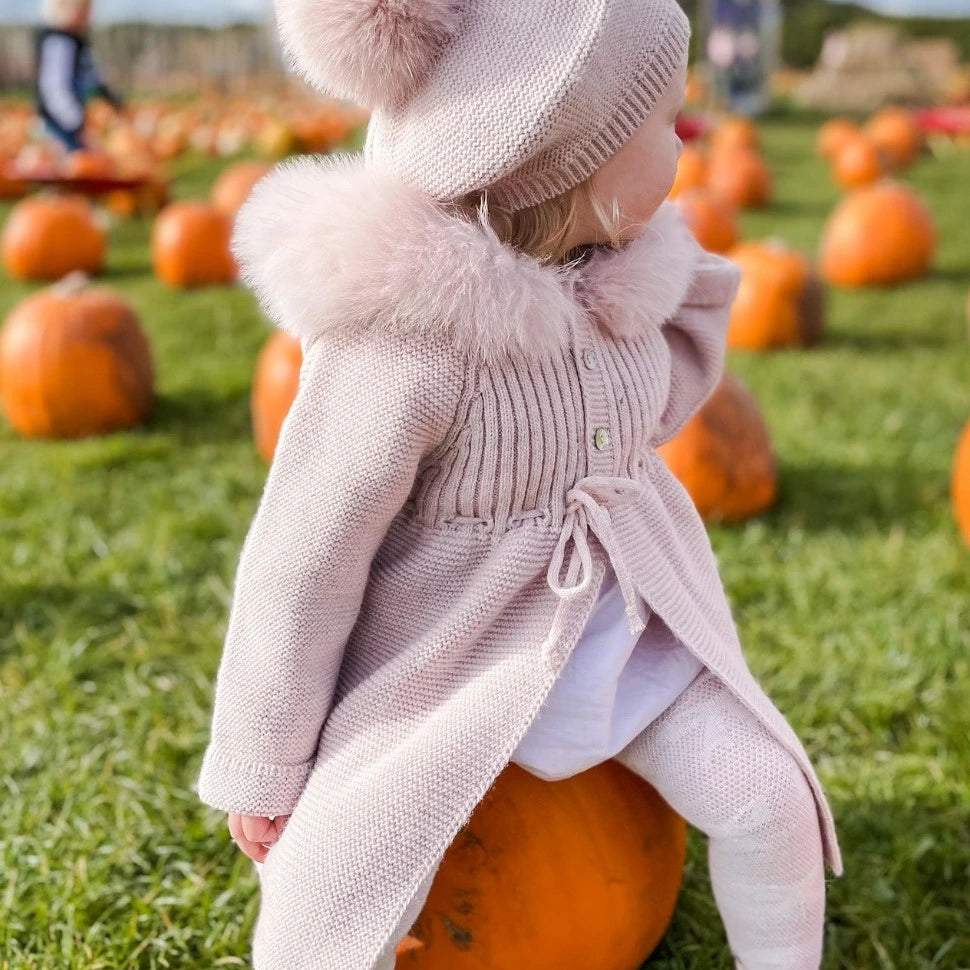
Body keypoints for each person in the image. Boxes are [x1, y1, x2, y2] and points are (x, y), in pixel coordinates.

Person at [196, 1, 843, 968]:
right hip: (444, 662)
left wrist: (663, 282)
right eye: (664, 122)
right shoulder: (402, 353)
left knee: (767, 797)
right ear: (567, 161)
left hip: (618, 637)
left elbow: (655, 396)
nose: (686, 138)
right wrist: (265, 760)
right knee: (332, 889)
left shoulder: (617, 284)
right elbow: (304, 559)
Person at [35, 0, 122, 153]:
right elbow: (55, 89)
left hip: (75, 119)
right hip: (59, 123)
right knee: (73, 161)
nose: (85, 15)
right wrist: (76, 121)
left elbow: (93, 78)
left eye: (86, 10)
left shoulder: (77, 42)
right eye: (79, 10)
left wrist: (111, 100)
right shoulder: (59, 42)